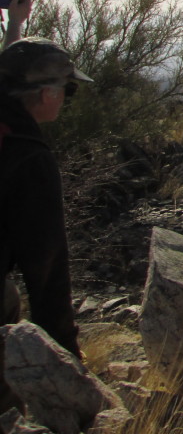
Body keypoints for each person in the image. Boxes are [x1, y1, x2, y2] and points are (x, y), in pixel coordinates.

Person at [1, 36, 93, 409]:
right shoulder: (27, 155)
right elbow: (47, 264)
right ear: (44, 94)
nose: (67, 98)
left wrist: (17, 26)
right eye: (67, 90)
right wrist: (63, 351)